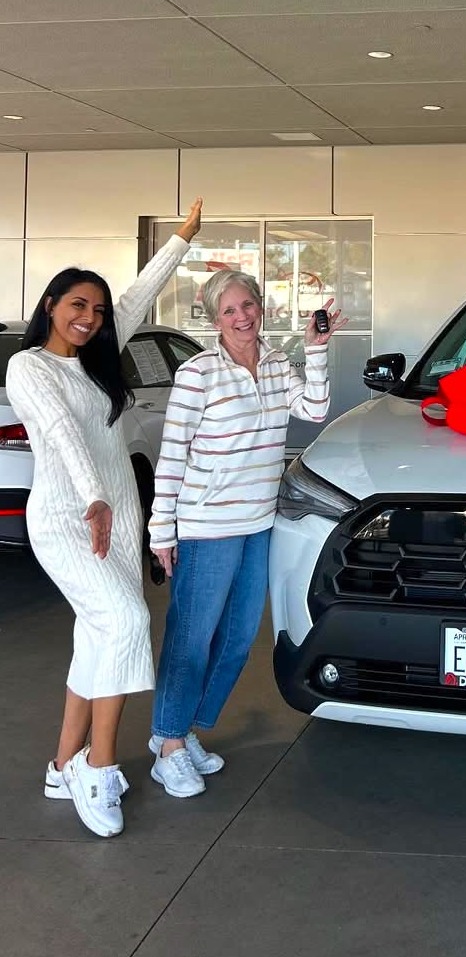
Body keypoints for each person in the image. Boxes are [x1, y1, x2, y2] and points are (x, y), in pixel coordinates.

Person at [5, 198, 204, 837]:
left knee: (96, 636)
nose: (89, 318)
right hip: (69, 517)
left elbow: (138, 298)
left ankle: (61, 763)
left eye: (95, 308)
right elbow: (62, 434)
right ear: (49, 309)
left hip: (116, 518)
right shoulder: (28, 366)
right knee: (123, 620)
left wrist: (179, 240)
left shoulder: (93, 365)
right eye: (76, 307)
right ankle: (100, 764)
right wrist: (93, 498)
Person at [146, 270, 347, 798]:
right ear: (215, 319)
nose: (242, 317)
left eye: (249, 306)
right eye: (230, 310)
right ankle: (167, 743)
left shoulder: (279, 365)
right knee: (191, 639)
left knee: (236, 641)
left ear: (262, 309)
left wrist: (316, 350)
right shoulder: (197, 374)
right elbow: (171, 458)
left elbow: (314, 409)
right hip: (206, 527)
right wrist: (160, 530)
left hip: (258, 524)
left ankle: (183, 727)